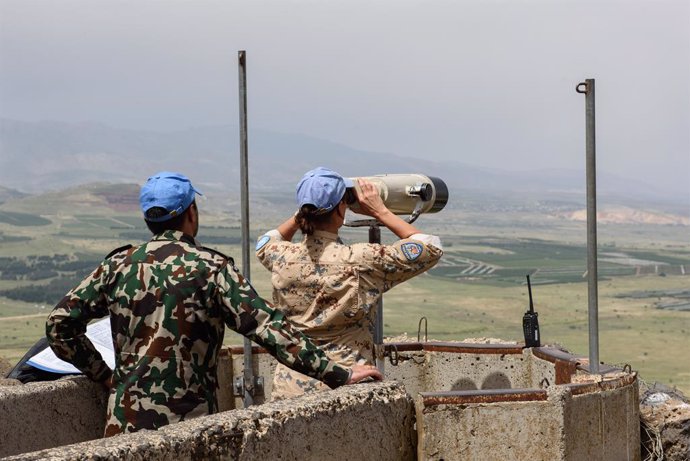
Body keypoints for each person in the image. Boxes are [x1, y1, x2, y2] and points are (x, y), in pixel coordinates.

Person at [46, 171, 381, 437]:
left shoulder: (118, 265)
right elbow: (269, 329)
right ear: (191, 212)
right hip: (187, 427)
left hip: (123, 427)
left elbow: (59, 325)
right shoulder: (210, 268)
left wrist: (103, 375)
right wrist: (337, 373)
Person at [256, 167, 443, 400]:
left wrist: (303, 213)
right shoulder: (360, 260)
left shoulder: (281, 256)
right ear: (340, 211)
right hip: (346, 382)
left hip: (290, 386)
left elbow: (265, 242)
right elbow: (430, 247)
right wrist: (380, 211)